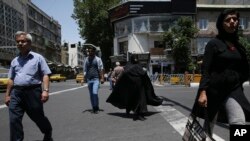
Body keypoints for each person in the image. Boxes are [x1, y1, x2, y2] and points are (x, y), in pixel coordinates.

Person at [192, 9, 250, 136]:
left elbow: (245, 69)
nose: (232, 22)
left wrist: (236, 79)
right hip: (214, 91)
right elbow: (206, 69)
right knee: (209, 125)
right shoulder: (213, 44)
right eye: (228, 20)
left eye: (235, 19)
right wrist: (203, 92)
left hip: (233, 91)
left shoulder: (240, 47)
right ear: (221, 23)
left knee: (239, 121)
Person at [4, 31, 53, 141]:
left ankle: (47, 131)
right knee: (14, 120)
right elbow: (11, 79)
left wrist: (45, 90)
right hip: (16, 93)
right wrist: (7, 95)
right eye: (17, 42)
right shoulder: (14, 61)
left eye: (23, 41)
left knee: (37, 116)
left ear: (29, 43)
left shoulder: (38, 58)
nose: (20, 43)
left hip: (33, 92)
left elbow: (45, 74)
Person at [106, 54, 163, 121]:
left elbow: (143, 74)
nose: (135, 59)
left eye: (136, 58)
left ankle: (139, 114)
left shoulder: (138, 65)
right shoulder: (128, 66)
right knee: (133, 100)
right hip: (131, 88)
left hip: (140, 87)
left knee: (141, 100)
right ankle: (136, 113)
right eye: (134, 58)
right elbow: (124, 75)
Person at [83, 46, 104, 114]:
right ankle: (94, 107)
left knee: (95, 93)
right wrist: (83, 79)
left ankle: (96, 106)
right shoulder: (86, 59)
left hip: (96, 79)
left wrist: (102, 78)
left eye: (91, 51)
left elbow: (101, 69)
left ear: (94, 52)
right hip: (89, 79)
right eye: (88, 51)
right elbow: (85, 70)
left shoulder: (98, 59)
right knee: (91, 94)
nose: (89, 52)